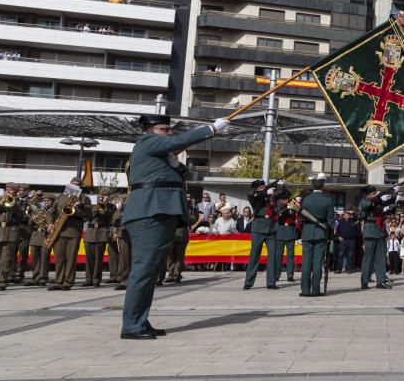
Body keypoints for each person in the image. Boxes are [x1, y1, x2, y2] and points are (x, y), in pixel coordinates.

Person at [120, 113, 228, 339]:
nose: (169, 133)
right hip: (149, 212)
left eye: (169, 130)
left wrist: (175, 165)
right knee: (144, 270)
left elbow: (175, 166)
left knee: (150, 271)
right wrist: (210, 129)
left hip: (159, 212)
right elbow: (175, 142)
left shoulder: (159, 155)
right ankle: (131, 325)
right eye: (164, 129)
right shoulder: (147, 141)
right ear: (148, 130)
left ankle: (139, 319)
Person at [50, 178, 91, 291]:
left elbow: (87, 215)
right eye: (72, 184)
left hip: (73, 232)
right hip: (59, 231)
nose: (74, 186)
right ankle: (58, 281)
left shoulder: (84, 199)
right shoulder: (60, 197)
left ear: (80, 187)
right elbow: (51, 213)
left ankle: (68, 281)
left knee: (71, 258)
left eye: (77, 185)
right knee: (59, 258)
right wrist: (49, 223)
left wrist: (75, 209)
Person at [244, 179, 285, 290]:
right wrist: (265, 192)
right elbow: (256, 197)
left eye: (264, 187)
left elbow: (286, 195)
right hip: (258, 227)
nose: (264, 188)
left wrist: (282, 186)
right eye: (261, 187)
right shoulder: (254, 196)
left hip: (271, 228)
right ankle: (248, 281)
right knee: (254, 256)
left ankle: (271, 282)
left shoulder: (270, 195)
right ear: (257, 189)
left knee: (272, 256)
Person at [359, 184, 397, 290]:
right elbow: (366, 207)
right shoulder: (364, 201)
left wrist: (394, 194)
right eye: (373, 193)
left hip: (379, 232)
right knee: (368, 259)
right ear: (367, 195)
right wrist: (377, 199)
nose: (375, 195)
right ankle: (364, 281)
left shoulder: (376, 201)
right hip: (370, 232)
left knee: (380, 259)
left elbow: (388, 203)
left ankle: (381, 281)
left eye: (375, 193)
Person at [82, 190, 116, 287]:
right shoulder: (92, 205)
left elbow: (108, 215)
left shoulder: (111, 207)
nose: (102, 196)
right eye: (101, 194)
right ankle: (88, 279)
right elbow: (88, 216)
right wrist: (98, 207)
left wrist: (104, 204)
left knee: (98, 258)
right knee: (89, 258)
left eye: (105, 195)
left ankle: (96, 279)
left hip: (101, 233)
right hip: (90, 232)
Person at [0, 184, 26, 291]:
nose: (9, 192)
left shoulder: (21, 202)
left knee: (6, 258)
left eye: (12, 190)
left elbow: (22, 216)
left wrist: (13, 204)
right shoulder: (0, 199)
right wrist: (1, 203)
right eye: (8, 190)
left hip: (11, 231)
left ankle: (2, 281)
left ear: (16, 191)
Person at [275, 196, 300, 283]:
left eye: (286, 198)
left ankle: (290, 275)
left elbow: (299, 210)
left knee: (290, 256)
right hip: (281, 231)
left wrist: (295, 203)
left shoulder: (292, 203)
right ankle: (276, 275)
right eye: (283, 198)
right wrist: (286, 207)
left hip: (290, 231)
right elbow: (277, 215)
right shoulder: (278, 204)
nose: (284, 200)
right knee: (278, 256)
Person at [334, 207, 360, 273]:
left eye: (349, 214)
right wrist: (338, 237)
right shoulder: (341, 221)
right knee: (341, 255)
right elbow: (337, 230)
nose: (348, 215)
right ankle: (338, 269)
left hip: (352, 240)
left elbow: (358, 228)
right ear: (344, 215)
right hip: (343, 240)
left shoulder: (353, 220)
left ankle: (348, 269)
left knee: (350, 255)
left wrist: (353, 213)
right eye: (346, 214)